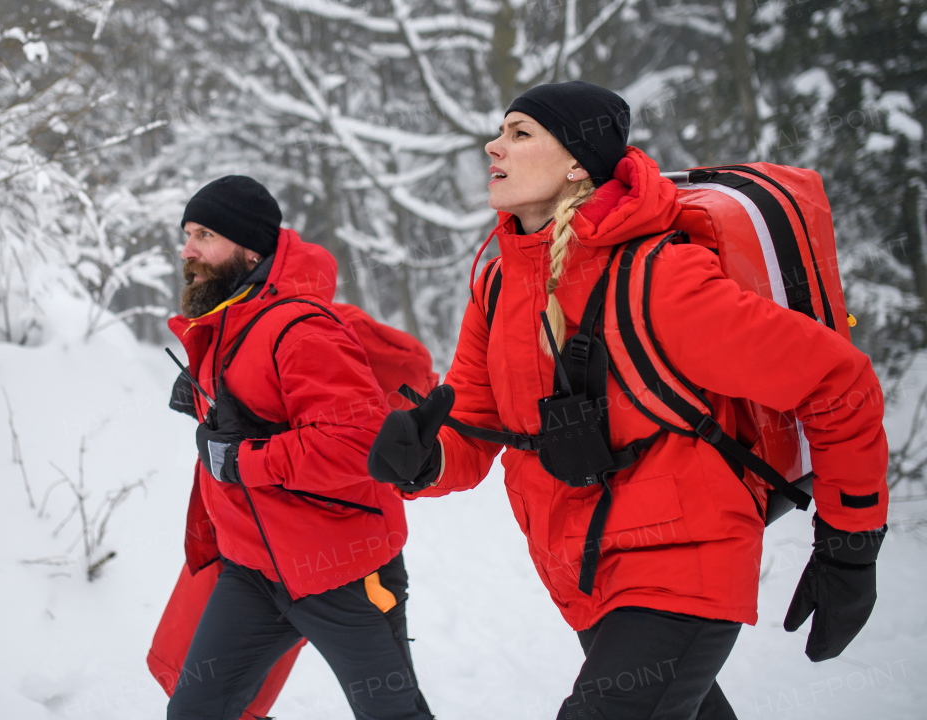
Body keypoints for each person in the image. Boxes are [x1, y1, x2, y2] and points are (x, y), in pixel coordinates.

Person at [367, 81, 889, 719]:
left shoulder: (660, 277)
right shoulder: (499, 279)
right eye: (501, 131)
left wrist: (850, 546)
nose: (493, 145)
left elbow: (838, 382)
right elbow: (475, 425)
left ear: (578, 163)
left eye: (519, 133)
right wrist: (425, 458)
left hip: (684, 568)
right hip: (585, 573)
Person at [165, 175, 433, 720]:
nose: (188, 249)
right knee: (196, 711)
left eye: (205, 234)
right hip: (255, 572)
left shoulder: (301, 328)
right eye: (187, 233)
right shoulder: (225, 322)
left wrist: (244, 461)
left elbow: (354, 443)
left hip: (345, 571)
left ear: (249, 248)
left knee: (392, 715)